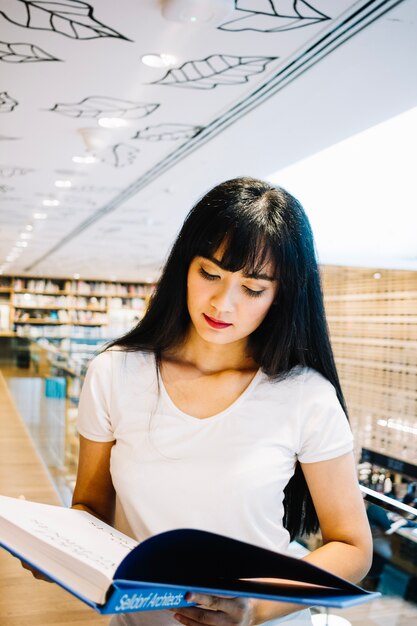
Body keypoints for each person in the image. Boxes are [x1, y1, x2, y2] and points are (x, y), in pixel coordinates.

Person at [70, 177, 372, 626]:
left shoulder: (305, 396)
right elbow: (90, 508)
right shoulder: (115, 373)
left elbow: (352, 548)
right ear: (182, 268)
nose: (222, 303)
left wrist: (255, 608)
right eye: (209, 274)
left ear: (281, 296)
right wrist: (58, 549)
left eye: (252, 289)